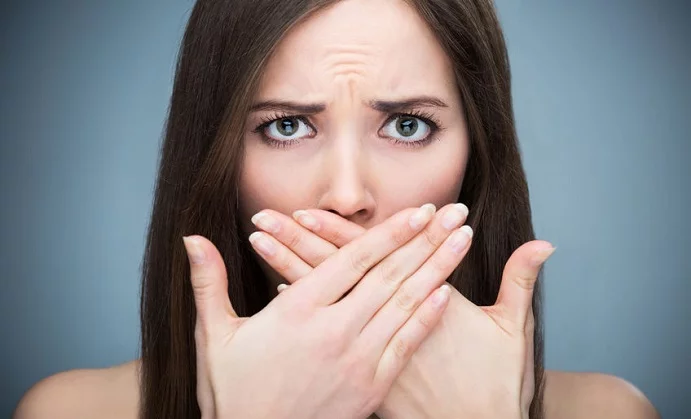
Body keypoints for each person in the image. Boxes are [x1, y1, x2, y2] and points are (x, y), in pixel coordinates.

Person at [13, 0, 660, 418]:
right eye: (287, 127)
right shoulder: (70, 410)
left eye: (407, 125)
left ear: (477, 156)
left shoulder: (609, 410)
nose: (347, 195)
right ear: (216, 159)